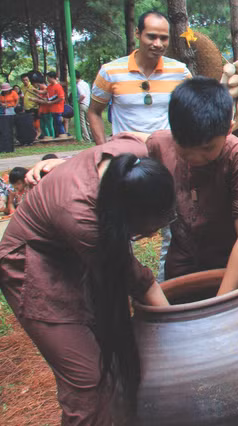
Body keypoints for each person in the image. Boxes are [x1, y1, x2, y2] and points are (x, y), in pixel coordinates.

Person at [0, 138, 175, 424]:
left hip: (73, 253)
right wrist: (179, 331)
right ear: (122, 216)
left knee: (112, 355)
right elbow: (138, 282)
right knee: (88, 380)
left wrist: (67, 164)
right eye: (146, 229)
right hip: (34, 267)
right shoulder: (82, 218)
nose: (153, 235)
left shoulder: (133, 152)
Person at [146, 78, 238, 301]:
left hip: (237, 259)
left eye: (206, 149)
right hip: (185, 259)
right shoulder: (158, 146)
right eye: (184, 149)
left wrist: (219, 304)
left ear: (228, 130)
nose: (194, 158)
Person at [88, 11, 191, 144]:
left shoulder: (180, 72)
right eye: (151, 36)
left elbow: (194, 110)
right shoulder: (110, 72)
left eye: (164, 38)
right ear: (138, 33)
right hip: (126, 157)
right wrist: (103, 150)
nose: (158, 44)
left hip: (165, 156)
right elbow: (94, 112)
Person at [36, 71, 66, 138]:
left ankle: (63, 134)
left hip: (58, 108)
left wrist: (52, 102)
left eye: (48, 78)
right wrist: (36, 91)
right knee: (55, 122)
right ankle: (58, 134)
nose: (47, 80)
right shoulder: (49, 86)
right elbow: (44, 91)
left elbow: (61, 97)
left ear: (53, 78)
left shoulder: (58, 87)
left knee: (58, 122)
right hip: (52, 108)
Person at [74, 70, 92, 142]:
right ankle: (92, 136)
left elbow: (83, 95)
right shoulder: (85, 84)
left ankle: (87, 139)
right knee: (88, 123)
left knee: (82, 123)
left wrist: (78, 102)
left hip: (82, 104)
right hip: (88, 104)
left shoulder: (78, 85)